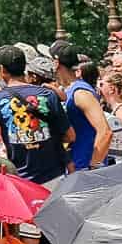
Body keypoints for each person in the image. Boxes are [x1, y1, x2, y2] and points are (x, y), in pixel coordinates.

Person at [0, 46, 67, 184]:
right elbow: (70, 135)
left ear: (2, 70)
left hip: (21, 180)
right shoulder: (48, 95)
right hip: (55, 176)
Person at [51, 43, 111, 172]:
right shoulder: (70, 90)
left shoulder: (81, 93)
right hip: (76, 167)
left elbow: (105, 132)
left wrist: (93, 166)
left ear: (56, 63)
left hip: (85, 169)